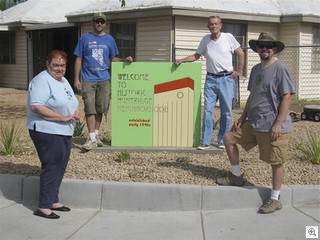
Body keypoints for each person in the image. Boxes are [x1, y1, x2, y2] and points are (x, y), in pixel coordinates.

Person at [216, 32, 295, 214]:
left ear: (274, 49)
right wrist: (242, 118)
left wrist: (278, 123)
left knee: (276, 162)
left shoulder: (281, 69)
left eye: (268, 46)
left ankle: (275, 199)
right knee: (229, 138)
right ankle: (236, 176)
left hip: (274, 125)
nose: (265, 49)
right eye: (261, 46)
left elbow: (287, 97)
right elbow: (253, 96)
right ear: (257, 49)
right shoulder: (255, 70)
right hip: (254, 122)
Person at [175, 15, 244, 150]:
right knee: (207, 110)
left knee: (226, 111)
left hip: (226, 79)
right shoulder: (205, 40)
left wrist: (239, 71)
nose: (213, 26)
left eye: (215, 24)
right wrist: (181, 60)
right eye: (211, 24)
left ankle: (222, 140)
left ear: (220, 25)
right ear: (208, 27)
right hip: (211, 79)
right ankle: (205, 141)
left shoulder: (228, 37)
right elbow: (196, 55)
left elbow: (241, 53)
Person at [27, 50, 80, 219]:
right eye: (55, 65)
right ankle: (43, 207)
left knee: (60, 166)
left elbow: (70, 100)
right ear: (47, 64)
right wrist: (62, 117)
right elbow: (36, 106)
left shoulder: (63, 80)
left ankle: (53, 200)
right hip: (46, 130)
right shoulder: (41, 80)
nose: (59, 68)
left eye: (62, 65)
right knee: (51, 166)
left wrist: (74, 111)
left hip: (63, 129)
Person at [74, 12, 133, 151]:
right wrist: (76, 79)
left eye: (101, 21)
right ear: (93, 23)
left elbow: (113, 58)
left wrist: (125, 59)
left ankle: (96, 135)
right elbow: (78, 59)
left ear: (105, 24)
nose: (99, 24)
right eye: (96, 21)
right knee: (90, 108)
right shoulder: (85, 38)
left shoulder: (109, 40)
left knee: (101, 108)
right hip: (88, 79)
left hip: (104, 79)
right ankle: (91, 137)